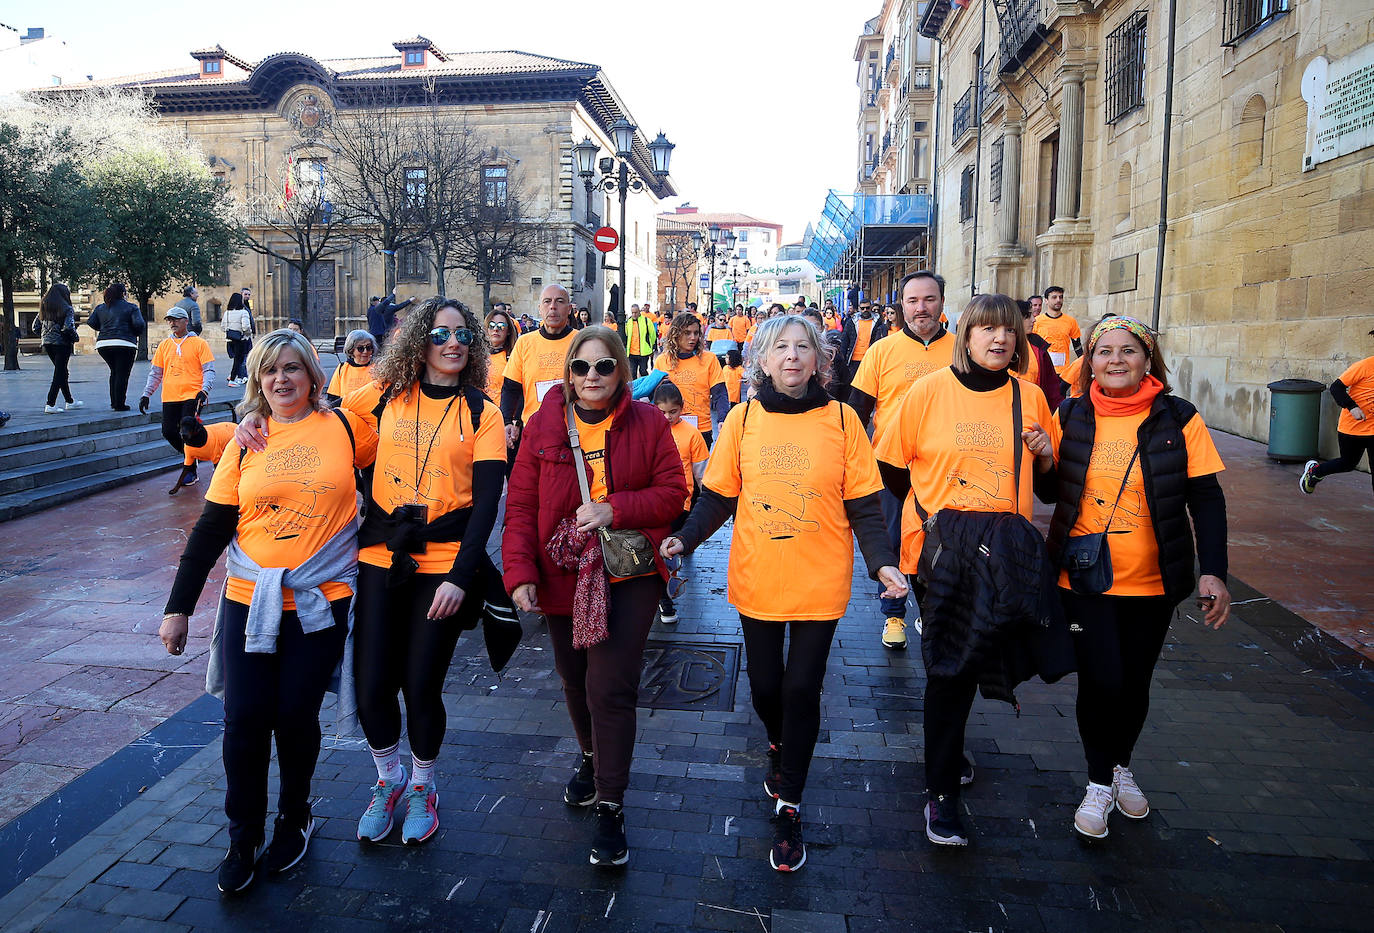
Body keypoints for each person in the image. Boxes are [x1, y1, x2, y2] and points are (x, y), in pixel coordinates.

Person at [661, 314, 906, 872]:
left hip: (821, 576)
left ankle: (791, 802)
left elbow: (865, 504)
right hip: (758, 574)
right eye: (781, 348)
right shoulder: (743, 421)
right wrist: (685, 537)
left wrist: (883, 563)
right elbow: (718, 497)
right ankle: (777, 743)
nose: (793, 357)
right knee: (767, 687)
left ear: (819, 358)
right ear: (762, 362)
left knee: (802, 688)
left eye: (803, 347)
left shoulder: (843, 421)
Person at [159, 329, 377, 894]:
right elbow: (211, 529)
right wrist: (177, 608)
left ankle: (295, 816)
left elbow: (404, 430)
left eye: (293, 368)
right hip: (248, 600)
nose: (282, 379)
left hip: (320, 601)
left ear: (312, 374)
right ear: (258, 379)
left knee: (292, 715)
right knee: (244, 721)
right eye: (270, 370)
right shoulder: (244, 442)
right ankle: (241, 835)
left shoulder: (349, 428)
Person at [874, 293, 1059, 848]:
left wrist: (1046, 453)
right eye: (987, 330)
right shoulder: (928, 392)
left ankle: (949, 749)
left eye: (1008, 331)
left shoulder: (1030, 398)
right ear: (967, 336)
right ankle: (941, 793)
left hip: (1005, 557)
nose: (999, 339)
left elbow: (1048, 486)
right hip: (943, 555)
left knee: (977, 657)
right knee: (949, 669)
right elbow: (889, 466)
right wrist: (937, 523)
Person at [502, 325, 686, 867]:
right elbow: (519, 505)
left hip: (627, 572)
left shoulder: (648, 421)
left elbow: (674, 493)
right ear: (568, 373)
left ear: (620, 372)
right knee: (574, 677)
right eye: (581, 367)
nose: (591, 377)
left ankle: (611, 803)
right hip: (561, 568)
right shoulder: (542, 426)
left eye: (603, 367)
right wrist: (518, 573)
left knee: (609, 685)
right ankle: (590, 755)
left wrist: (615, 508)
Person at [1046, 315, 1230, 841]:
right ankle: (1099, 782)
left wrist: (1213, 571)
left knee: (1135, 682)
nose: (1116, 361)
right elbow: (1049, 491)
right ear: (1090, 362)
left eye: (1129, 351)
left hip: (1155, 578)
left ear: (1148, 360)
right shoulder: (1071, 414)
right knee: (1101, 679)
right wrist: (1041, 459)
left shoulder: (1179, 417)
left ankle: (1120, 764)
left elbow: (1206, 498)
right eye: (1105, 351)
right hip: (1084, 578)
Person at [342, 299, 505, 846]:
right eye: (439, 333)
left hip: (443, 566)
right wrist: (250, 417)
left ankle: (422, 786)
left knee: (420, 684)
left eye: (462, 334)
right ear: (420, 341)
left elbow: (486, 505)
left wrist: (462, 576)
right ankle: (387, 781)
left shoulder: (483, 412)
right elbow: (322, 421)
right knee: (370, 690)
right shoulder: (385, 396)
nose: (451, 342)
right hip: (380, 557)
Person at [849, 271, 954, 652]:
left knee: (938, 542)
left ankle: (929, 608)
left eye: (928, 299)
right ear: (901, 306)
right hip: (892, 469)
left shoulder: (962, 351)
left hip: (946, 471)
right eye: (912, 301)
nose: (921, 308)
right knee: (890, 543)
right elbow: (856, 413)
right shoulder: (882, 350)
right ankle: (893, 615)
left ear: (941, 302)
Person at [651, 380, 709, 626]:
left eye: (672, 412)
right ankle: (664, 601)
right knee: (657, 553)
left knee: (665, 552)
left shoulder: (691, 434)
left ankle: (665, 595)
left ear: (682, 408)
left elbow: (702, 472)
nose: (667, 417)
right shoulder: (648, 430)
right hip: (652, 504)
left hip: (680, 505)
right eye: (662, 412)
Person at [501, 284, 578, 456]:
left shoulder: (581, 340)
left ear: (569, 309)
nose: (553, 306)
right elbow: (510, 388)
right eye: (547, 301)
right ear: (540, 309)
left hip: (573, 432)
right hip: (534, 431)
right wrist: (507, 421)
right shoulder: (524, 343)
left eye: (559, 301)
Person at [140, 308, 215, 482]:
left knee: (187, 432)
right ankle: (194, 455)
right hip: (170, 396)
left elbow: (209, 370)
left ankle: (190, 470)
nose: (172, 323)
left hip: (193, 394)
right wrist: (146, 394)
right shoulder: (164, 345)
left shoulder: (199, 343)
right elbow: (156, 373)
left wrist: (204, 390)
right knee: (168, 431)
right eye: (169, 320)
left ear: (186, 321)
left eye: (176, 319)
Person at [1300, 330, 1374, 497]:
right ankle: (1315, 472)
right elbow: (1336, 387)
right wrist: (1352, 407)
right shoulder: (1365, 366)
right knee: (1347, 463)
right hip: (1353, 427)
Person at [654, 312, 729, 445]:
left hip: (701, 428)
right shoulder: (663, 361)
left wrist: (723, 418)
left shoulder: (709, 359)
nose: (693, 337)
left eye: (696, 333)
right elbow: (655, 397)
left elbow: (720, 393)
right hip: (670, 428)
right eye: (687, 333)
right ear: (676, 334)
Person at [84, 282, 145, 410]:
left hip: (104, 344)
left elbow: (91, 322)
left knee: (114, 372)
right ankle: (119, 404)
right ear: (123, 293)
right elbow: (139, 324)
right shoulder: (131, 307)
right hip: (125, 343)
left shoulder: (101, 307)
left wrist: (104, 328)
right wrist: (133, 333)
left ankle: (114, 402)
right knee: (122, 374)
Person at [39, 283, 82, 414]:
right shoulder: (67, 308)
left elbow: (36, 326)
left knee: (62, 371)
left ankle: (70, 401)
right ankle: (50, 403)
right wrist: (75, 338)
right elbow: (68, 327)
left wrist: (46, 335)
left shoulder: (44, 306)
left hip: (47, 343)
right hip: (62, 343)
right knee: (59, 373)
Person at [169, 415, 237, 495]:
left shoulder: (210, 442)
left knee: (226, 464)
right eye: (183, 427)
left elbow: (217, 463)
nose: (184, 431)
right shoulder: (188, 447)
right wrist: (177, 487)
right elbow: (187, 466)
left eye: (188, 427)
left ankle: (221, 486)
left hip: (232, 432)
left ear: (195, 428)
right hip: (222, 432)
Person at [1018, 300, 1065, 410]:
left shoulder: (1038, 346)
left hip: (1034, 411)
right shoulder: (998, 348)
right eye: (1028, 316)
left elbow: (1051, 386)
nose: (1034, 320)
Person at [1032, 285, 1081, 374]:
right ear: (1046, 301)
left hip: (1063, 372)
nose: (1058, 300)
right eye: (1054, 297)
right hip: (1042, 370)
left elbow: (1077, 346)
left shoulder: (1071, 321)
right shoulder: (1036, 321)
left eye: (1060, 297)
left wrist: (1084, 364)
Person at [324, 330, 377, 405]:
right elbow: (333, 398)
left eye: (369, 348)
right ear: (351, 350)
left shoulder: (378, 368)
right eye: (360, 348)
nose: (365, 351)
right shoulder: (342, 368)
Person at [484, 306, 518, 402]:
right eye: (491, 325)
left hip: (504, 413)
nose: (495, 329)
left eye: (501, 326)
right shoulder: (477, 356)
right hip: (480, 412)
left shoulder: (513, 357)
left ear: (508, 331)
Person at [223, 292, 254, 387]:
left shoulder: (227, 313)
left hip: (230, 338)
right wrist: (248, 334)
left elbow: (223, 326)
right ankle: (233, 379)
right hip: (241, 339)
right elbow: (246, 327)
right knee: (239, 359)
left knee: (237, 360)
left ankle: (236, 377)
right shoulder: (243, 312)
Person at [624, 304, 657, 379]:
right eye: (632, 312)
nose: (634, 314)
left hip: (643, 352)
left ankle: (646, 386)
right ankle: (635, 389)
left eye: (635, 312)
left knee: (643, 371)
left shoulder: (646, 321)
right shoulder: (628, 322)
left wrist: (651, 347)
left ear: (639, 312)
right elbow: (626, 335)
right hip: (631, 352)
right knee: (632, 373)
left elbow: (652, 335)